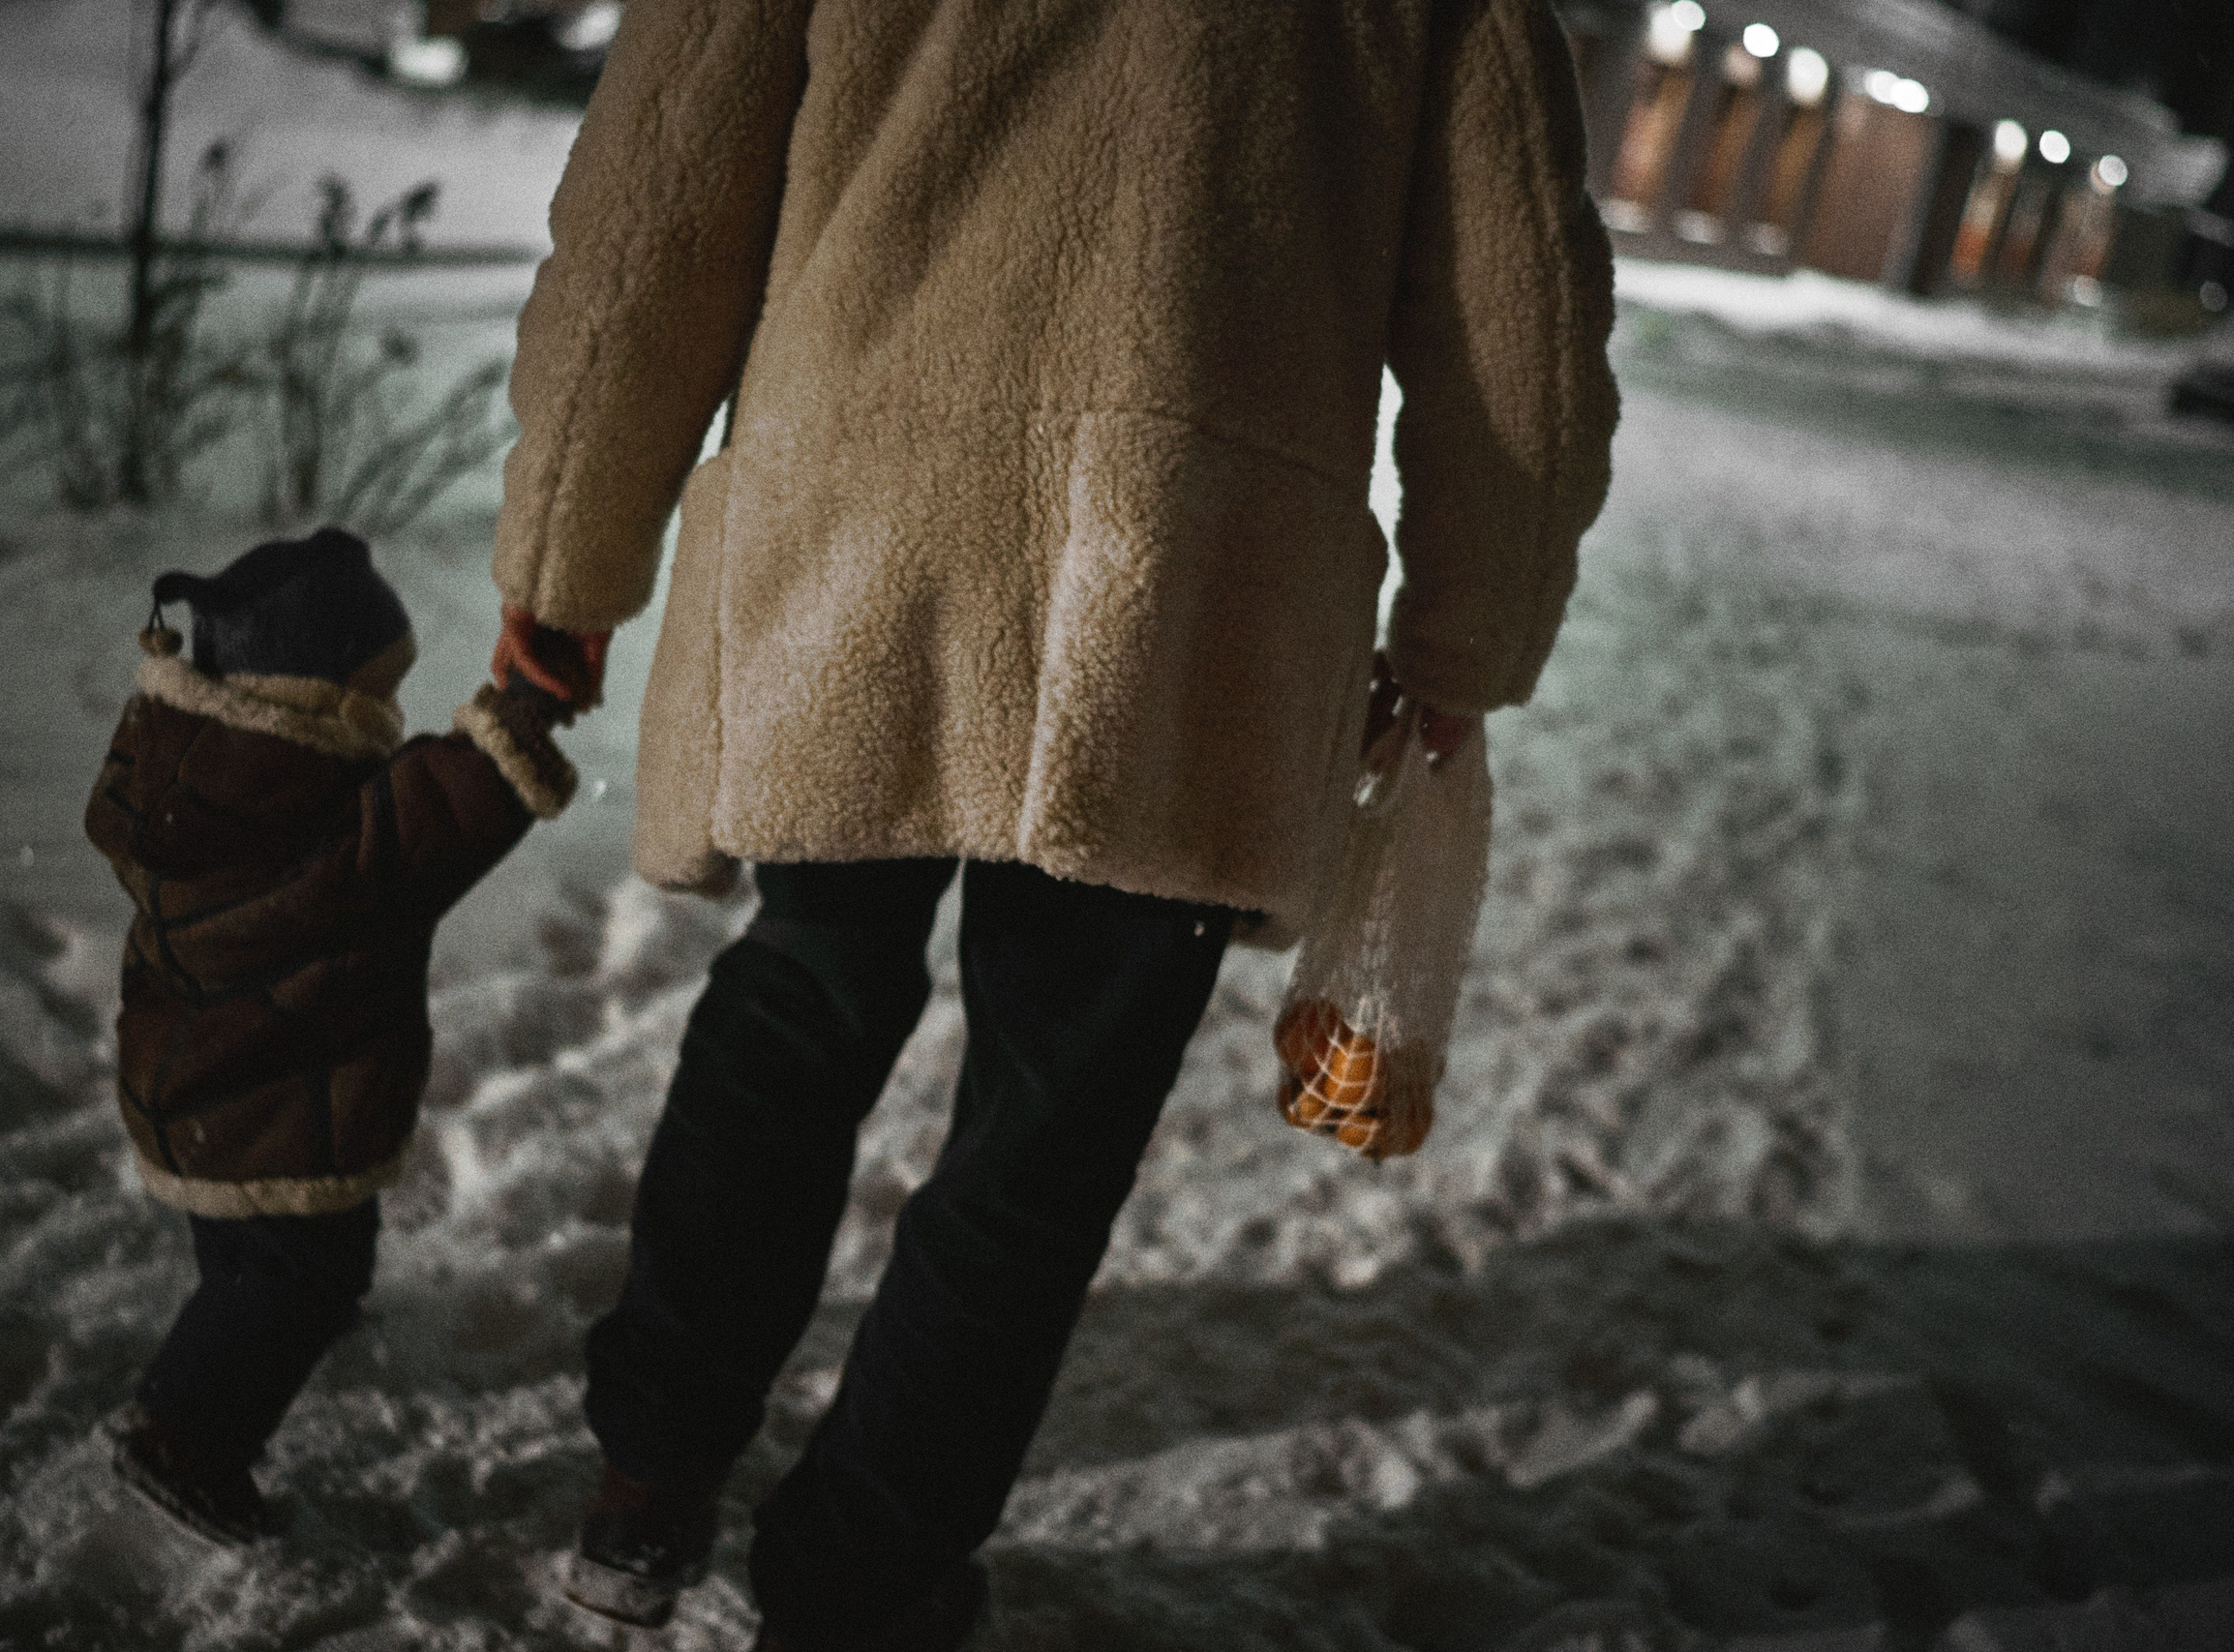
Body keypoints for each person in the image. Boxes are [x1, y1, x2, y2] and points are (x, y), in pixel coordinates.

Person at [490, 0, 1619, 1644]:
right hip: (1195, 598)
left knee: (798, 1001)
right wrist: (1469, 632)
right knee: (1051, 1124)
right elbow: (1517, 298)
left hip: (859, 522)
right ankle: (866, 1571)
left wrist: (570, 546)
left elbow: (662, 189)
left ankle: (649, 1477)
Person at [86, 526, 579, 1545]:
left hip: (200, 1098)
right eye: (368, 694)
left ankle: (242, 1337)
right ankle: (184, 1434)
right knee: (304, 1270)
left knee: (242, 1253)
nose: (384, 717)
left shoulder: (197, 781)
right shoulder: (312, 824)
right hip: (279, 1108)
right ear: (306, 692)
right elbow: (439, 811)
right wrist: (528, 710)